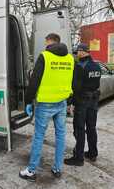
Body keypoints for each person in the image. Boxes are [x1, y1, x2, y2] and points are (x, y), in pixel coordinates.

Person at [19, 33, 74, 181]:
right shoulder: (70, 58)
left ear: (50, 41)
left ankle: (31, 170)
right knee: (61, 136)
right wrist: (69, 100)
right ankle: (57, 168)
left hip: (45, 103)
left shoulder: (45, 56)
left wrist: (28, 101)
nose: (45, 44)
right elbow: (71, 80)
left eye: (46, 42)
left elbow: (34, 80)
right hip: (61, 102)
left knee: (39, 136)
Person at [64, 43, 101, 166]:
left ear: (83, 52)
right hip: (94, 101)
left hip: (82, 101)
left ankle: (78, 158)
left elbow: (75, 87)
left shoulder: (80, 66)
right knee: (91, 128)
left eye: (78, 52)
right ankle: (92, 153)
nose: (77, 54)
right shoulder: (96, 66)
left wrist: (71, 103)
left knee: (79, 129)